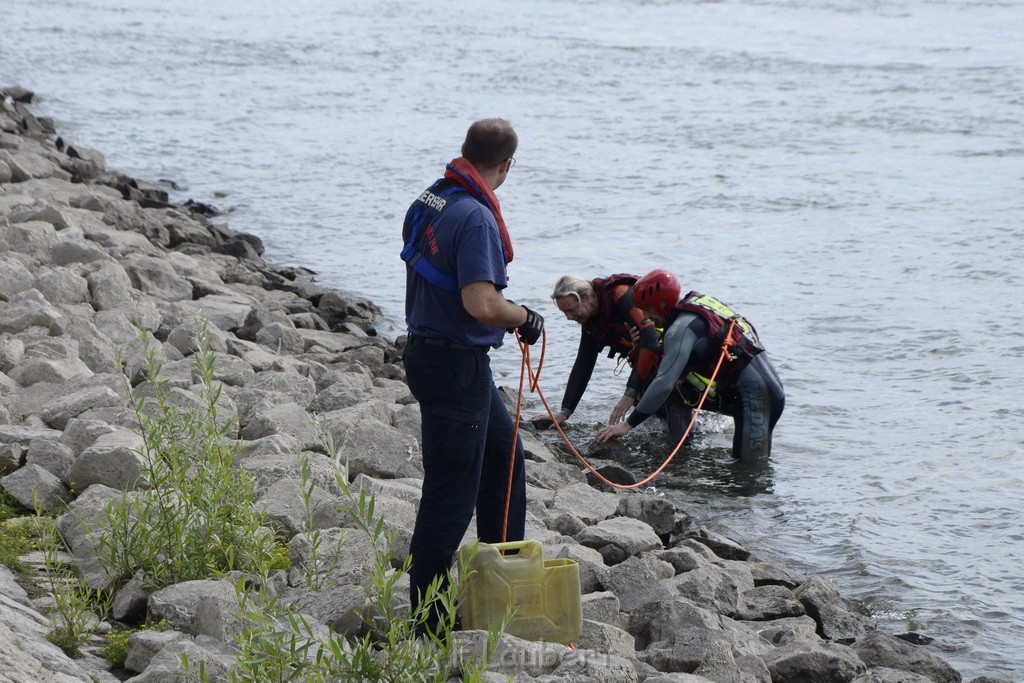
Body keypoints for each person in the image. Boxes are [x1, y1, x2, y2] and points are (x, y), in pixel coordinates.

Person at [400, 118, 544, 635]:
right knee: (449, 495)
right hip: (454, 364)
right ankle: (429, 627)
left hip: (438, 355)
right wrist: (524, 317)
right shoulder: (477, 217)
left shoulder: (434, 198)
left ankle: (500, 591)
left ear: (465, 152)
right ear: (505, 166)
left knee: (505, 464)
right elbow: (481, 303)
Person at [596, 269, 784, 461]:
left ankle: (687, 464)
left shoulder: (681, 326)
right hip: (743, 393)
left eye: (648, 309)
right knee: (676, 393)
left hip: (759, 400)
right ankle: (681, 454)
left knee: (748, 477)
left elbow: (664, 382)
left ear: (663, 303)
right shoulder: (689, 312)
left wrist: (627, 425)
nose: (645, 316)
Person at [529, 274, 660, 430]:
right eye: (564, 312)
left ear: (588, 298)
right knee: (653, 415)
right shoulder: (592, 322)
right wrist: (565, 412)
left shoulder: (621, 296)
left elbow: (651, 341)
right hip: (647, 367)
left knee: (671, 402)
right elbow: (584, 363)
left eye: (571, 310)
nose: (569, 317)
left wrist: (629, 394)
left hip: (673, 356)